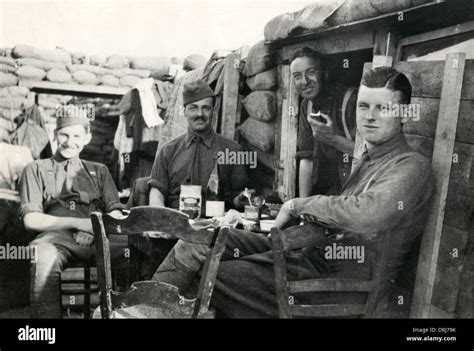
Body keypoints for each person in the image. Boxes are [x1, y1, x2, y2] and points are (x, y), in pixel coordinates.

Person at [151, 67, 434, 318]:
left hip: (341, 282)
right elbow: (337, 212)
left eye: (382, 109)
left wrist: (297, 205)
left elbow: (368, 214)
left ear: (404, 114)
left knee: (214, 273)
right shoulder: (368, 161)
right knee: (201, 239)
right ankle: (144, 307)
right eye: (363, 106)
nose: (369, 117)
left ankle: (153, 310)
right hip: (310, 255)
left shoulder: (411, 167)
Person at [20, 115, 124, 318]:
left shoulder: (100, 171)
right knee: (42, 255)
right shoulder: (35, 169)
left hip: (100, 238)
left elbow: (116, 212)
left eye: (77, 135)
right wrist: (81, 224)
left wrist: (95, 231)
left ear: (87, 138)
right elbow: (30, 220)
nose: (70, 141)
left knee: (132, 250)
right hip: (57, 239)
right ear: (54, 135)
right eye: (64, 135)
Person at [148, 79, 250, 212]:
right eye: (193, 108)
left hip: (216, 224)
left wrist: (241, 199)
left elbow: (238, 199)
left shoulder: (233, 150)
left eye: (205, 108)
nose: (199, 114)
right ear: (184, 111)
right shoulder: (168, 150)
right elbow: (157, 193)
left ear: (213, 112)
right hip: (177, 224)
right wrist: (162, 223)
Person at [290, 47, 358, 196]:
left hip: (361, 189)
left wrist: (334, 140)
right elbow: (307, 159)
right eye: (297, 76)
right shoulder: (306, 106)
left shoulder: (351, 100)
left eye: (311, 72)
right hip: (333, 192)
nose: (305, 81)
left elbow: (371, 154)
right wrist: (304, 206)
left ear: (325, 73)